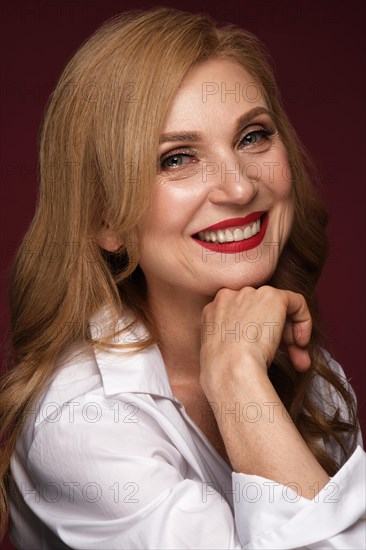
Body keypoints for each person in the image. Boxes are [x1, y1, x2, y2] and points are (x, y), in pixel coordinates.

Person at [0, 7, 365, 549]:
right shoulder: (82, 423)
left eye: (252, 137)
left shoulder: (308, 374)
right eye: (177, 159)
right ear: (106, 220)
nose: (239, 189)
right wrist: (238, 377)